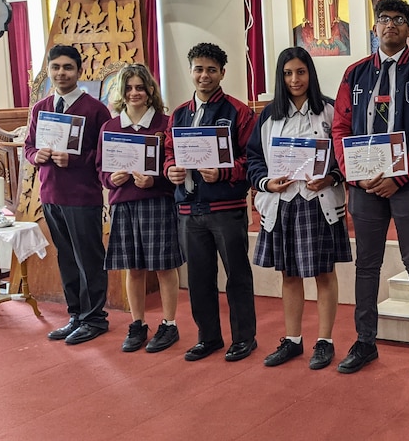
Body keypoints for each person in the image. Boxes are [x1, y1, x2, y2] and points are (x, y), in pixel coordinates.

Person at [332, 0, 409, 377]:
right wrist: (356, 174)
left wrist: (400, 175)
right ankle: (365, 341)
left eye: (399, 19)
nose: (391, 25)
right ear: (375, 27)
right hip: (364, 185)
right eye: (384, 19)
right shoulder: (354, 74)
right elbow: (340, 129)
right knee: (367, 265)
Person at [247, 47, 352, 370]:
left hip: (318, 204)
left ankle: (325, 340)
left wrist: (331, 177)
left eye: (301, 72)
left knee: (324, 273)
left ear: (311, 74)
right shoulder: (268, 116)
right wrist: (266, 183)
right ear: (281, 77)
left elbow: (345, 156)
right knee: (289, 275)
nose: (295, 79)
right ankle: (292, 339)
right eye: (288, 73)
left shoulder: (330, 111)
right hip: (283, 205)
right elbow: (253, 160)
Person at [164, 42, 258, 362]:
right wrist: (170, 170)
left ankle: (244, 338)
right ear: (190, 71)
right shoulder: (178, 114)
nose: (204, 75)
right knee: (198, 280)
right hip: (189, 210)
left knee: (237, 277)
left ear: (222, 73)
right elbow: (168, 153)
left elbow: (253, 159)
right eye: (198, 69)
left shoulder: (238, 111)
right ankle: (209, 337)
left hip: (226, 209)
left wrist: (225, 174)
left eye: (211, 70)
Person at [25, 44, 112, 345]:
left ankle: (95, 319)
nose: (61, 73)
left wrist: (74, 159)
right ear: (48, 71)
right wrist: (36, 155)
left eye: (68, 67)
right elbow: (28, 147)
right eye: (56, 67)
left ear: (79, 71)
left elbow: (106, 155)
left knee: (89, 258)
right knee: (66, 259)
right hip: (50, 195)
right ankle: (76, 315)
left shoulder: (95, 109)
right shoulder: (41, 108)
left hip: (82, 196)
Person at [98, 64, 184, 353]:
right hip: (124, 204)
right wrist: (112, 178)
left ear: (150, 91)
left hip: (158, 202)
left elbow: (175, 166)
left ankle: (169, 323)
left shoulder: (165, 123)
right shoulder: (110, 127)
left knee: (163, 266)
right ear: (121, 92)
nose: (135, 93)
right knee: (133, 268)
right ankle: (137, 324)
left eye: (140, 87)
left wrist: (154, 179)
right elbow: (100, 170)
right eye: (129, 88)